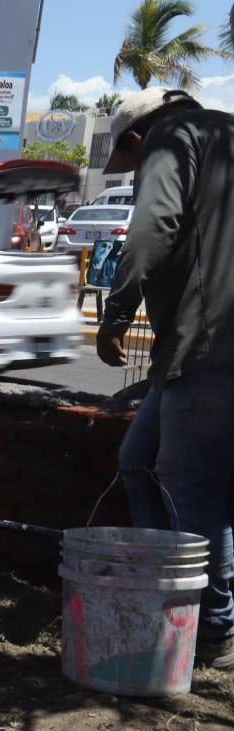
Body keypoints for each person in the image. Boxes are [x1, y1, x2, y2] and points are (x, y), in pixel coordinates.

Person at [96, 87, 234, 668]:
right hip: (193, 353)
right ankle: (163, 585)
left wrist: (117, 311)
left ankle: (212, 630)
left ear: (135, 137)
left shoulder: (169, 138)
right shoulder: (225, 132)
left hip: (210, 347)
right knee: (137, 458)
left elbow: (153, 226)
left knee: (190, 485)